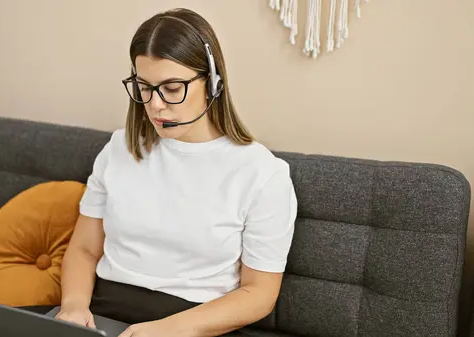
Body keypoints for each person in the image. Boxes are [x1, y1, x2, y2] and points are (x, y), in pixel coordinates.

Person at [55, 7, 298, 337]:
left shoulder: (262, 174)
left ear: (212, 84)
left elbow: (258, 295)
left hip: (193, 324)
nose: (155, 104)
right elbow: (84, 249)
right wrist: (73, 307)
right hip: (103, 312)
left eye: (171, 88)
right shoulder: (119, 148)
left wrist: (167, 330)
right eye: (144, 87)